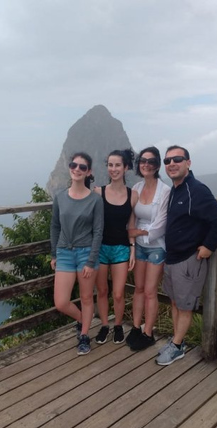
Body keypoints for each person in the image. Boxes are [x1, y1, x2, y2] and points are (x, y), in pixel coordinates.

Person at [156, 145, 217, 366]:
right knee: (175, 303)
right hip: (173, 258)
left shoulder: (196, 190)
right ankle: (177, 341)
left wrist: (208, 246)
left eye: (177, 159)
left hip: (189, 260)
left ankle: (177, 346)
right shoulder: (176, 190)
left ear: (188, 162)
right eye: (167, 161)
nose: (171, 164)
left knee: (185, 305)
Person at [50, 152, 104, 355]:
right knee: (61, 302)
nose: (77, 169)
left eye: (83, 167)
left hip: (86, 254)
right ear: (69, 167)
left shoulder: (95, 200)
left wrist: (91, 261)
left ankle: (84, 335)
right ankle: (82, 320)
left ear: (88, 172)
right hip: (64, 252)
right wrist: (54, 254)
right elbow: (55, 226)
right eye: (74, 165)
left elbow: (98, 231)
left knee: (86, 297)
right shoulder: (60, 197)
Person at [125, 146, 171, 351]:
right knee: (139, 289)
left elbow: (160, 226)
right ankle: (136, 327)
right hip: (140, 249)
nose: (146, 164)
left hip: (156, 248)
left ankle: (148, 332)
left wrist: (138, 233)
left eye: (151, 162)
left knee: (151, 291)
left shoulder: (165, 191)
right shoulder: (136, 188)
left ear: (157, 165)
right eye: (143, 161)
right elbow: (131, 219)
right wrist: (133, 245)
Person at [93, 148, 137, 345]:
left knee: (118, 293)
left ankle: (118, 325)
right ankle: (104, 325)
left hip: (121, 248)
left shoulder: (132, 195)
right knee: (102, 291)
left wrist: (133, 249)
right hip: (100, 247)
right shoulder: (98, 192)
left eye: (117, 165)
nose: (113, 169)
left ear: (126, 167)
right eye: (110, 165)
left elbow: (132, 225)